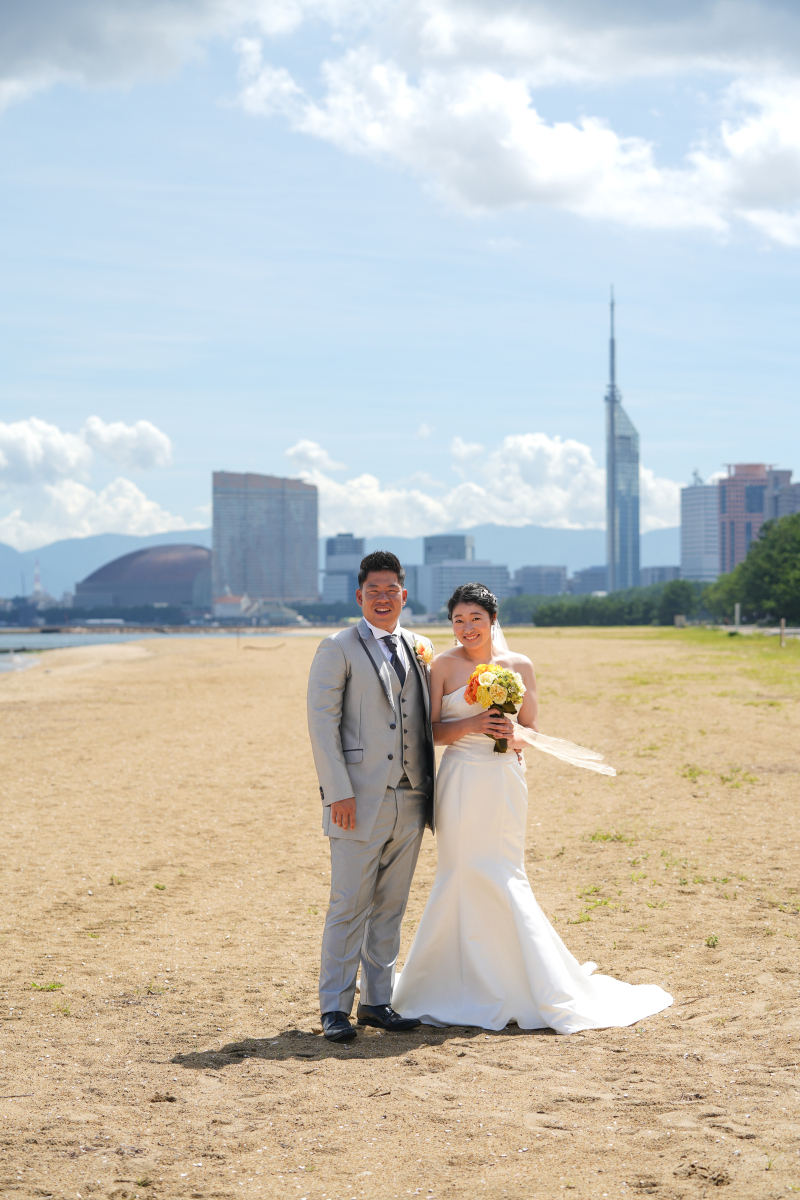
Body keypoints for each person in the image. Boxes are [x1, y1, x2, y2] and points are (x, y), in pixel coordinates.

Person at [392, 582, 673, 1033]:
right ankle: (445, 980)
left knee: (503, 871)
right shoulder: (442, 666)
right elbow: (429, 734)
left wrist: (511, 736)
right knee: (460, 870)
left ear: (492, 621)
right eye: (458, 620)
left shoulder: (518, 666)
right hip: (461, 777)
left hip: (503, 780)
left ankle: (521, 979)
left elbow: (533, 730)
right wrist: (472, 724)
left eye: (475, 619)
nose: (467, 628)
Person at [306, 550, 435, 1043]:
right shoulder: (336, 646)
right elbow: (322, 724)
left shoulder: (421, 647)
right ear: (359, 596)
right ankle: (334, 1009)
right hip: (356, 798)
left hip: (412, 797)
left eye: (391, 590)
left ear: (404, 594)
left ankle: (377, 1002)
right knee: (348, 904)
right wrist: (336, 792)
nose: (383, 598)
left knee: (391, 906)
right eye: (373, 591)